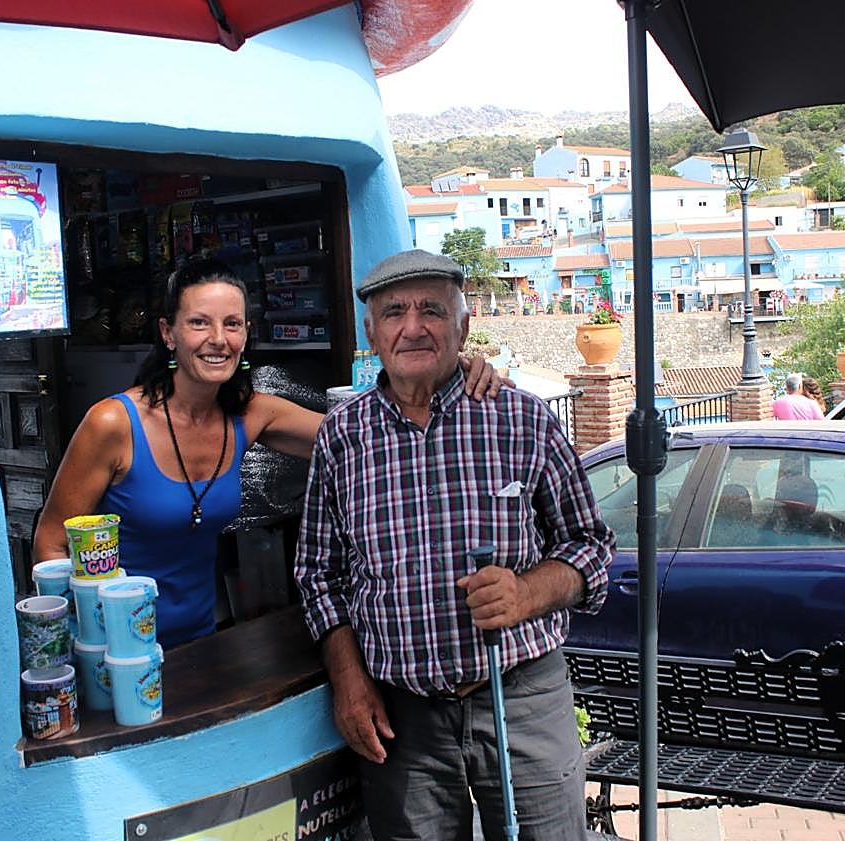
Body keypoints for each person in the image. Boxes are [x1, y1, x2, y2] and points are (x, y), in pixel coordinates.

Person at [294, 248, 616, 840]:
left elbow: (591, 546)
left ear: (463, 325)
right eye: (394, 312)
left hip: (522, 699)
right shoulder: (342, 437)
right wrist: (349, 680)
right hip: (402, 717)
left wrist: (526, 592)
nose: (412, 327)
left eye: (431, 311)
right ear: (371, 331)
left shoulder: (521, 419)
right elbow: (319, 576)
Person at [33, 258, 503, 648]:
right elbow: (50, 545)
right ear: (169, 333)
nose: (218, 339)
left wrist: (450, 367)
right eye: (199, 322)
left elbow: (369, 436)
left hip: (200, 642)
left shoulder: (251, 414)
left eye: (232, 324)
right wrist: (82, 643)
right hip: (112, 651)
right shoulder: (114, 424)